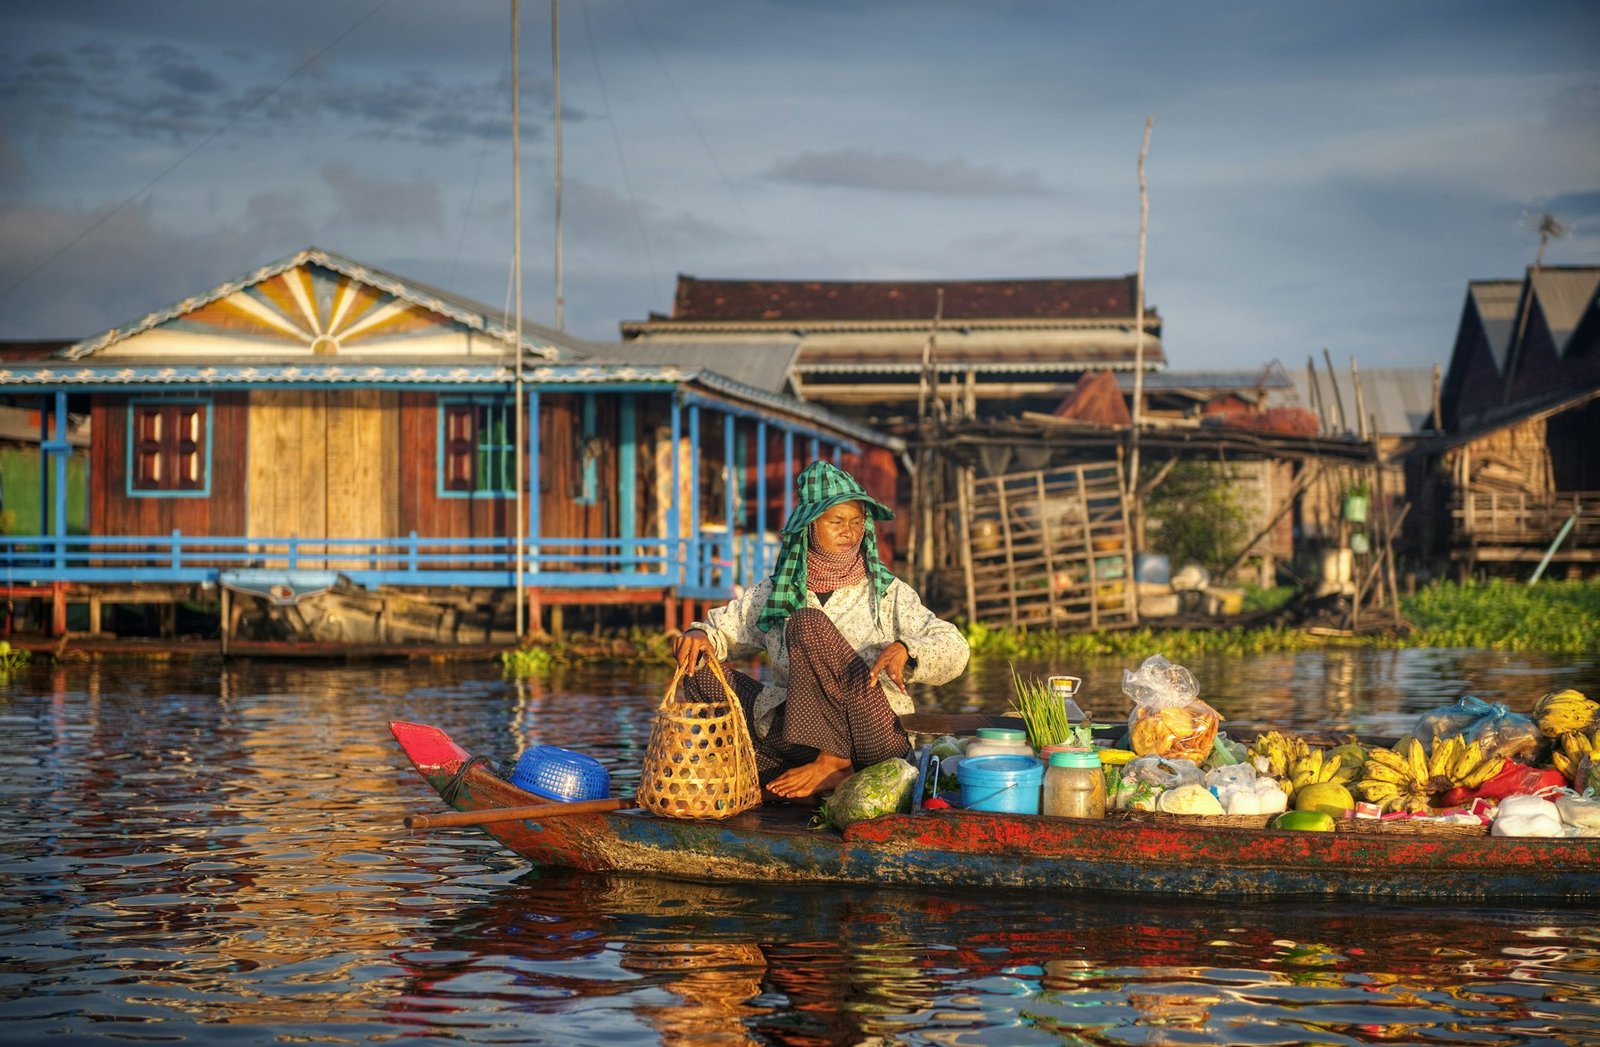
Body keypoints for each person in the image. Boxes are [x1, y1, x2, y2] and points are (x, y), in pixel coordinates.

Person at [671, 459, 970, 801]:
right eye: (837, 521)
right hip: (803, 740)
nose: (850, 531)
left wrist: (907, 649)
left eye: (858, 522)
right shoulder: (775, 592)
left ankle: (836, 764)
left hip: (873, 735)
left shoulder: (888, 593)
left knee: (807, 622)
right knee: (697, 672)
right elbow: (722, 629)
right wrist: (699, 635)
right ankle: (806, 773)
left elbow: (955, 647)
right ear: (811, 526)